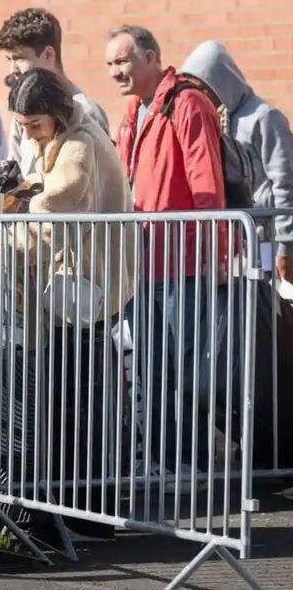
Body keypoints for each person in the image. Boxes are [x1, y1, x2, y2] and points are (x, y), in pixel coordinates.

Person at [0, 68, 134, 540]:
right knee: (78, 405)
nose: (26, 133)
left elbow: (52, 220)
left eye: (34, 125)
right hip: (87, 291)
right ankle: (85, 513)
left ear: (58, 115)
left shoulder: (79, 148)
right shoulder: (71, 137)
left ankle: (71, 515)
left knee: (71, 408)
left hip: (85, 293)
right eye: (22, 125)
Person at [105, 24, 226, 472]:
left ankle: (192, 462)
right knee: (152, 369)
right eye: (110, 65)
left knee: (183, 369)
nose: (116, 72)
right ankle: (164, 460)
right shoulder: (132, 112)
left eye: (123, 61)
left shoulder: (187, 103)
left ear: (152, 57)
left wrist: (214, 251)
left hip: (184, 262)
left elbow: (206, 186)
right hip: (142, 265)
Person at [180, 40, 293, 282]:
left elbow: (285, 181)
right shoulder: (217, 119)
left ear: (221, 80)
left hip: (268, 235)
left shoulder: (264, 117)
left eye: (203, 87)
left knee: (272, 308)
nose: (200, 95)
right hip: (240, 238)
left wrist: (286, 244)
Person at [0, 8, 109, 173]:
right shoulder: (22, 112)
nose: (13, 69)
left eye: (19, 58)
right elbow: (14, 178)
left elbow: (99, 184)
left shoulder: (86, 112)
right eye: (9, 59)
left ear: (48, 55)